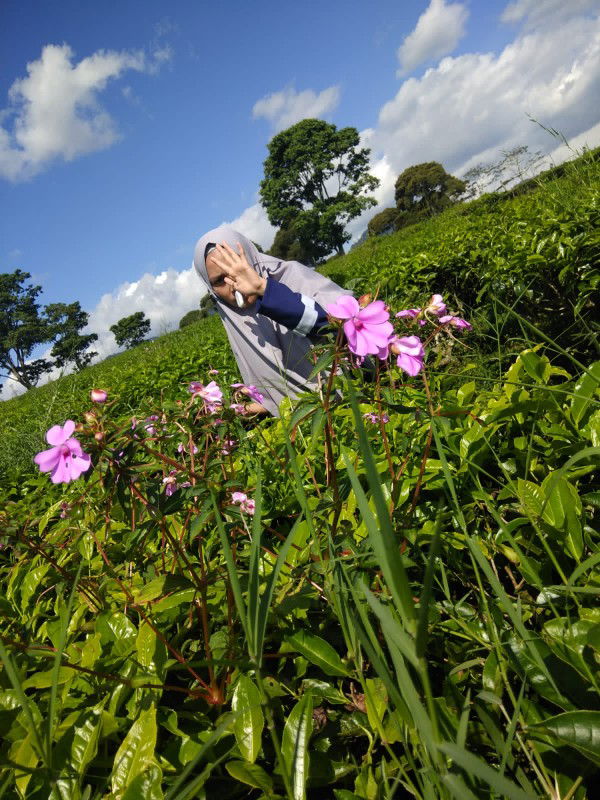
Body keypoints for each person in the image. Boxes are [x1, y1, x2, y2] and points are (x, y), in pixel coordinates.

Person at [192, 225, 351, 416]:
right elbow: (276, 398)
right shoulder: (234, 319)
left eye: (238, 269)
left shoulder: (293, 278)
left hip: (352, 397)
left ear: (251, 259)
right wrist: (240, 410)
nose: (233, 284)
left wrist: (264, 289)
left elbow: (339, 326)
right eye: (219, 281)